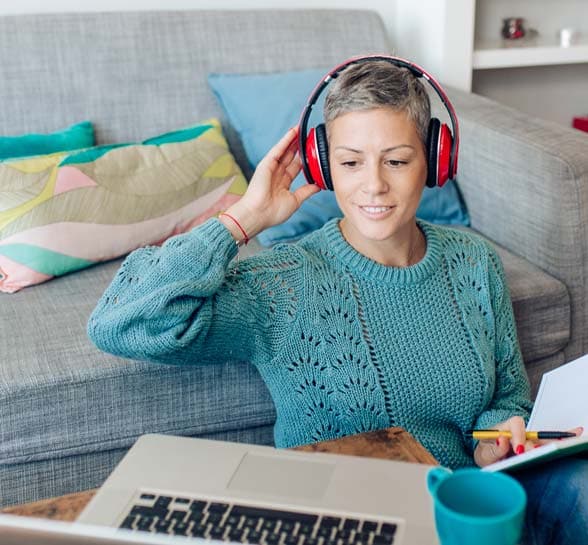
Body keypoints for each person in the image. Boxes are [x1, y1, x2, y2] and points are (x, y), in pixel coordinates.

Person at [88, 58, 586, 545]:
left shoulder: (475, 261)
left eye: (396, 160)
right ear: (325, 165)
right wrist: (243, 219)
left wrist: (496, 441)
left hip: (460, 513)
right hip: (350, 522)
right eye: (350, 162)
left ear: (434, 159)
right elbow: (122, 323)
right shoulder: (283, 281)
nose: (373, 184)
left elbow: (506, 399)